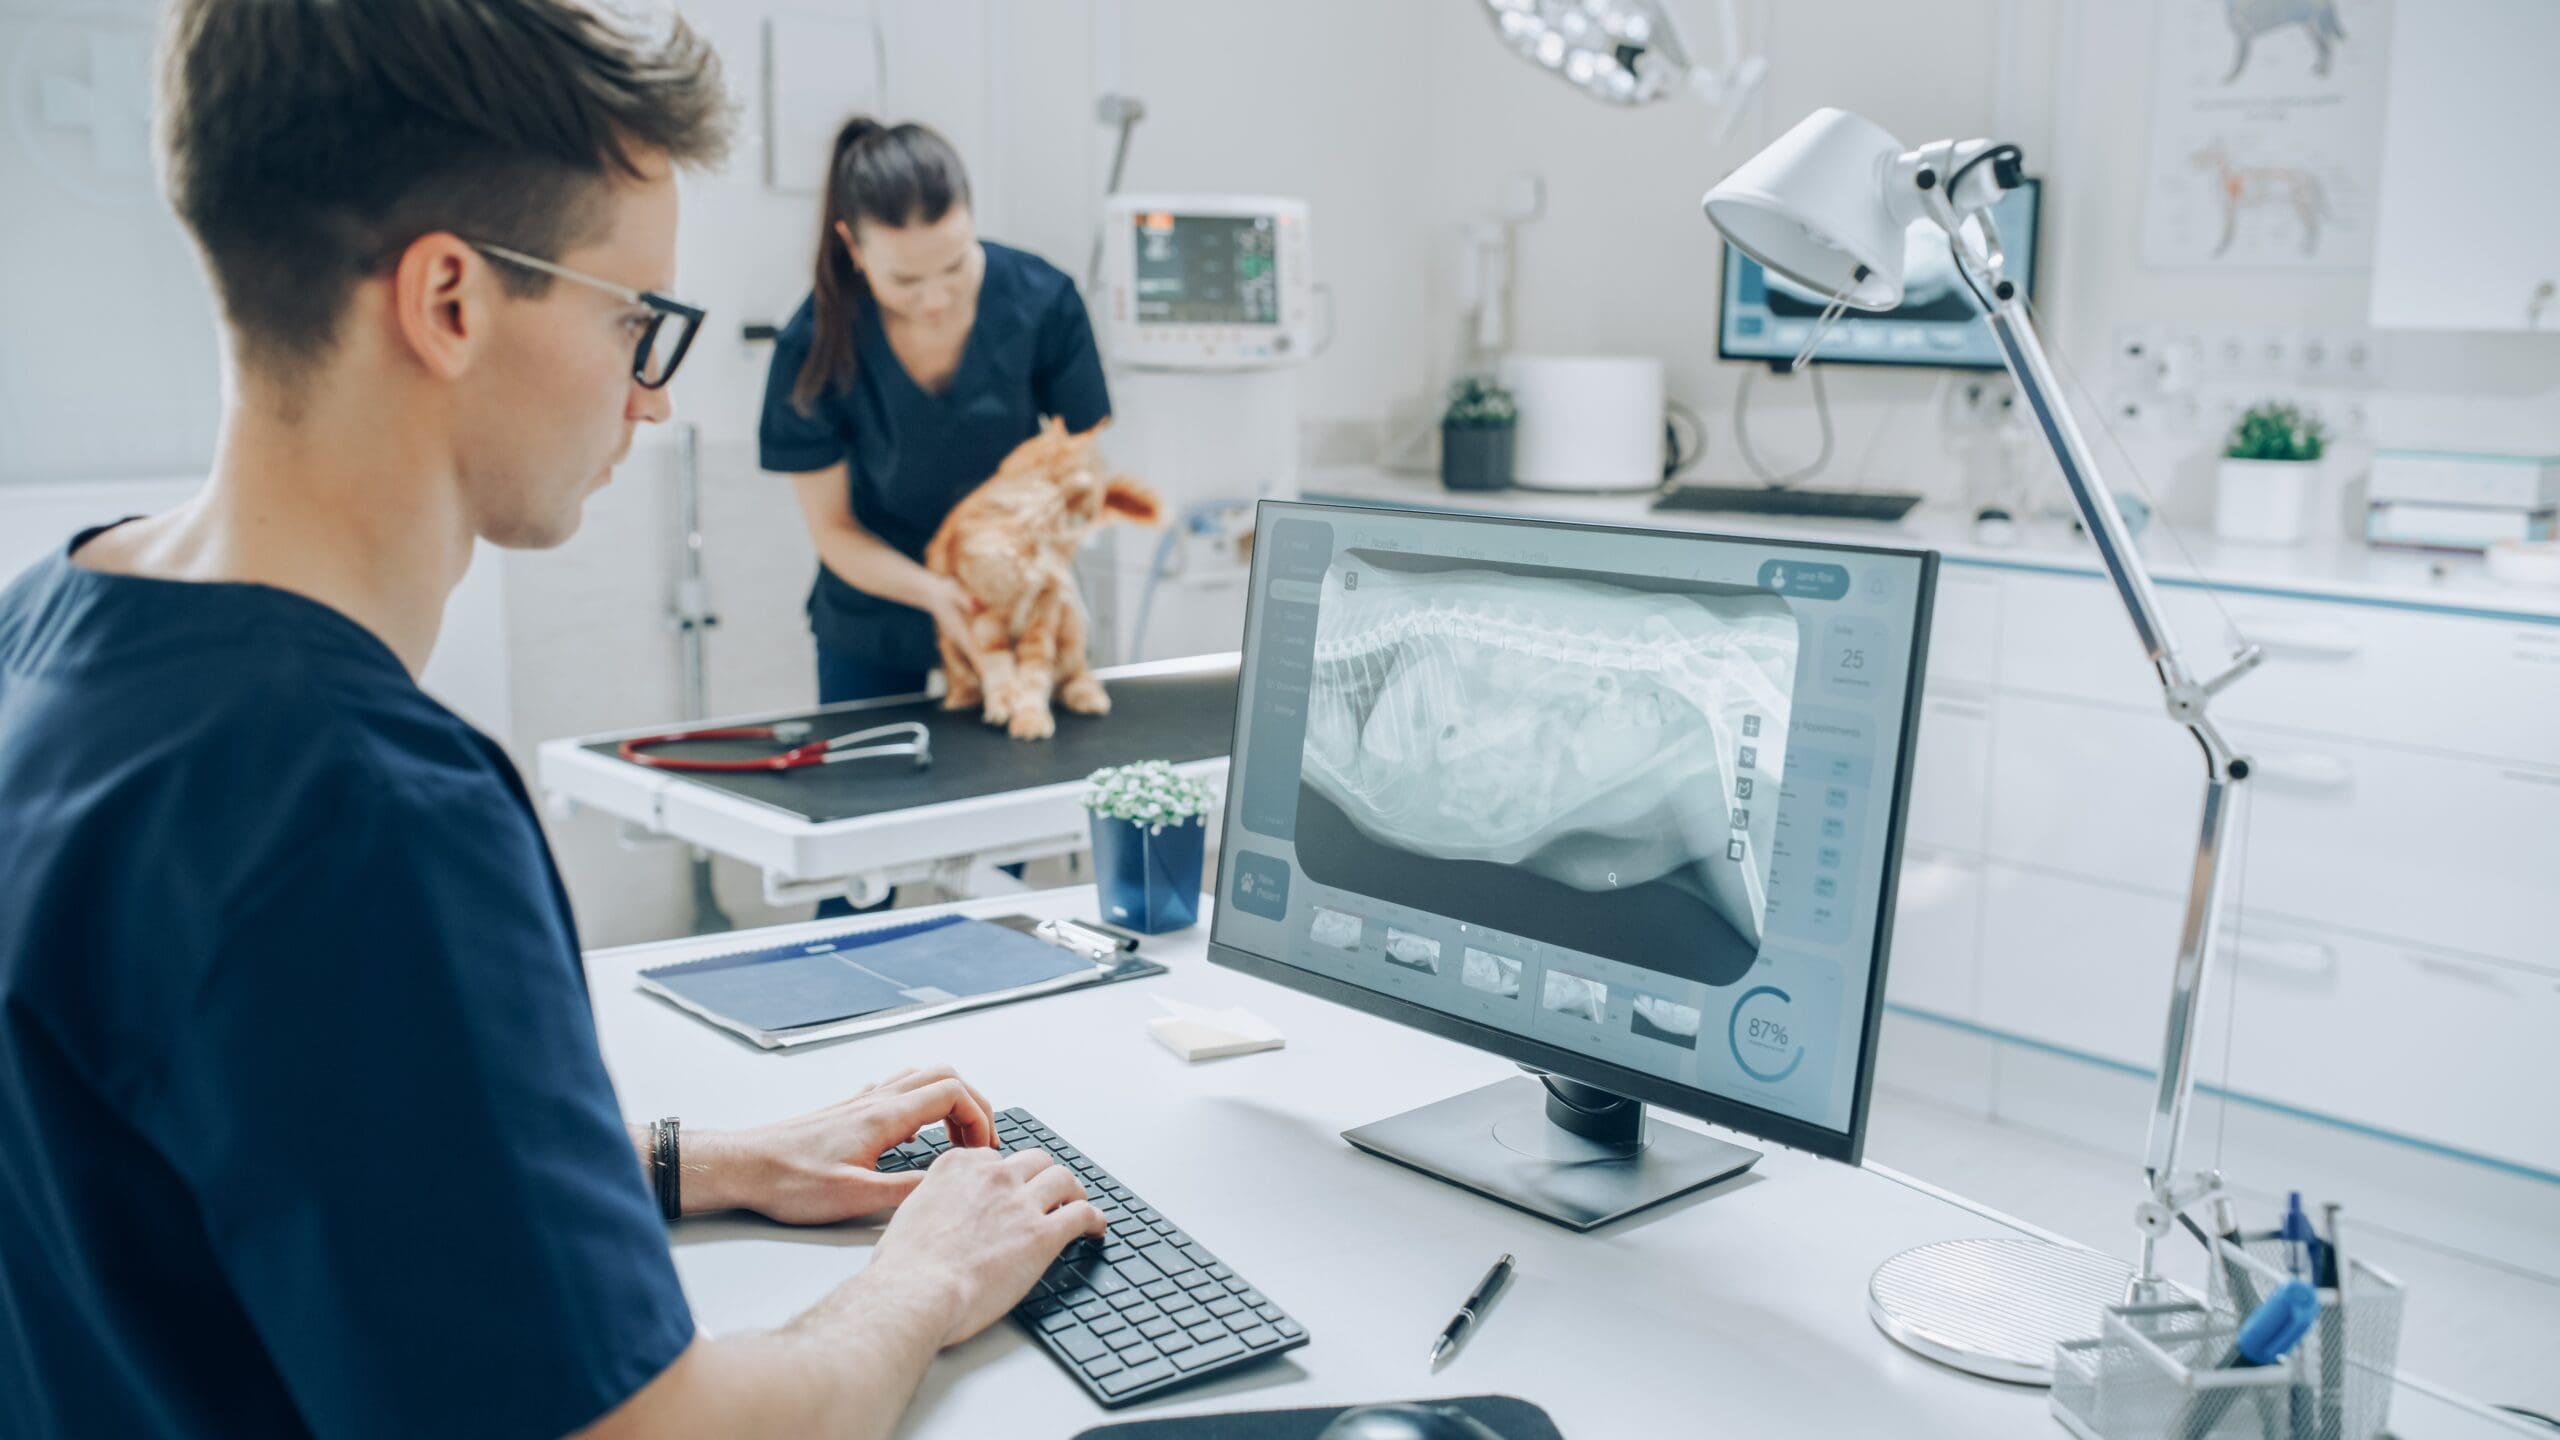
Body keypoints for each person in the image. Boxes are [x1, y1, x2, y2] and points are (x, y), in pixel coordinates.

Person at [0, 5, 1100, 1437]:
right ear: (449, 301)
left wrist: (688, 1158)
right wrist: (925, 1279)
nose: (649, 403)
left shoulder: (49, 632)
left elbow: (238, 1160)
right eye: (635, 320)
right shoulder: (360, 812)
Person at [760, 118, 1113, 711]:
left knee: (1024, 766)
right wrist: (938, 593)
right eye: (905, 280)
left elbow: (1079, 464)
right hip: (874, 612)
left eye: (954, 266)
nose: (935, 300)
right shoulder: (813, 345)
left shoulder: (1043, 300)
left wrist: (1026, 571)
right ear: (853, 247)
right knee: (872, 793)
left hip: (1012, 593)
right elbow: (833, 529)